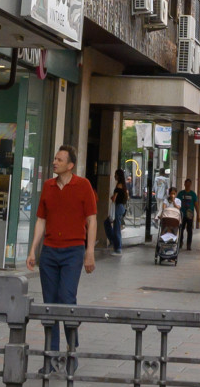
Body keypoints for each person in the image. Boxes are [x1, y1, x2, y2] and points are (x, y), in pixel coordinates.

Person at [28, 145, 98, 368]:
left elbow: (92, 220)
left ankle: (71, 350)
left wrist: (89, 252)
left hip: (73, 251)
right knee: (49, 304)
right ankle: (51, 357)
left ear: (70, 165)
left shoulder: (83, 185)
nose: (54, 162)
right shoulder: (48, 186)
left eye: (59, 160)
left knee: (67, 299)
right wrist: (33, 250)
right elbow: (41, 220)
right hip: (49, 252)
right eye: (54, 159)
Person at [108, 165, 129, 253]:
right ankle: (115, 244)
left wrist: (112, 197)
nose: (114, 176)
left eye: (115, 175)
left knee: (116, 228)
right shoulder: (123, 186)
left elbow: (114, 198)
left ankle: (117, 247)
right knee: (116, 227)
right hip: (121, 207)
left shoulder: (118, 186)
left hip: (118, 207)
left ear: (118, 176)